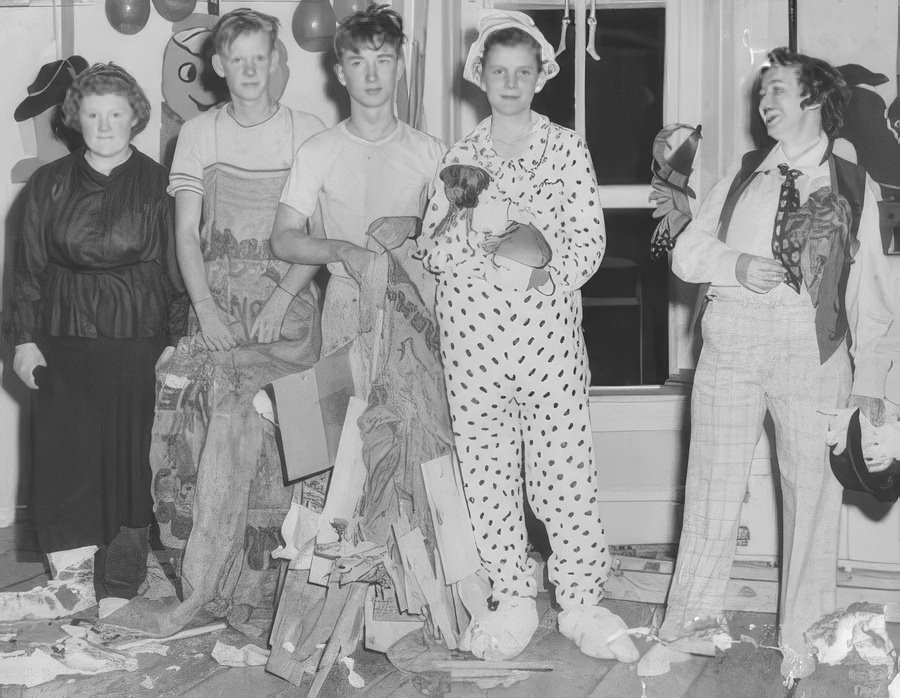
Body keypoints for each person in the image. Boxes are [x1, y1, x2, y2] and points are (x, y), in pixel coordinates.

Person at [652, 47, 896, 685]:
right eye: (763, 92)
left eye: (779, 90)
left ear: (814, 100)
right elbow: (686, 252)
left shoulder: (853, 186)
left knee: (812, 498)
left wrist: (869, 383)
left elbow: (871, 298)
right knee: (710, 489)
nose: (765, 103)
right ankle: (688, 629)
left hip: (809, 354)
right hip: (731, 343)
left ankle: (803, 640)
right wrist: (735, 266)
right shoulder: (742, 173)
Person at [416, 11, 639, 664]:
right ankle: (512, 599)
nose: (510, 84)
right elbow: (434, 253)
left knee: (565, 477)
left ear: (541, 74)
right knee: (487, 477)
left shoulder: (565, 148)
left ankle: (579, 603)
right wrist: (471, 227)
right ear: (480, 76)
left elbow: (588, 243)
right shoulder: (459, 158)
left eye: (523, 72)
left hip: (547, 348)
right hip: (474, 347)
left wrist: (541, 267)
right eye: (498, 72)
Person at [150, 8, 324, 627]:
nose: (250, 71)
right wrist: (206, 313)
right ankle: (206, 588)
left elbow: (319, 235)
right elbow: (187, 237)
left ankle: (279, 595)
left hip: (289, 320)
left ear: (276, 61)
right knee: (218, 448)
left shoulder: (308, 130)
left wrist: (282, 300)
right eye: (237, 60)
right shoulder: (198, 134)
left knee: (292, 457)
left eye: (261, 58)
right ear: (219, 67)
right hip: (221, 320)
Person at [8, 63, 184, 612]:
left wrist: (179, 343)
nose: (104, 124)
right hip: (60, 344)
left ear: (135, 116)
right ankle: (71, 588)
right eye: (92, 113)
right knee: (65, 466)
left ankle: (119, 588)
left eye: (115, 113)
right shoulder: (47, 184)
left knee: (131, 467)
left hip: (138, 344)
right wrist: (22, 340)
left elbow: (177, 272)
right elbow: (24, 271)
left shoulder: (161, 185)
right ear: (75, 119)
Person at [271, 2, 445, 359]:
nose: (371, 76)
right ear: (340, 73)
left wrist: (414, 224)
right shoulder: (317, 151)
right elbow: (284, 238)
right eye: (357, 62)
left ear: (398, 68)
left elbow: (455, 239)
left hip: (416, 301)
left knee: (416, 413)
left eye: (382, 60)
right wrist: (342, 250)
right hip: (345, 302)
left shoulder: (431, 153)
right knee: (347, 413)